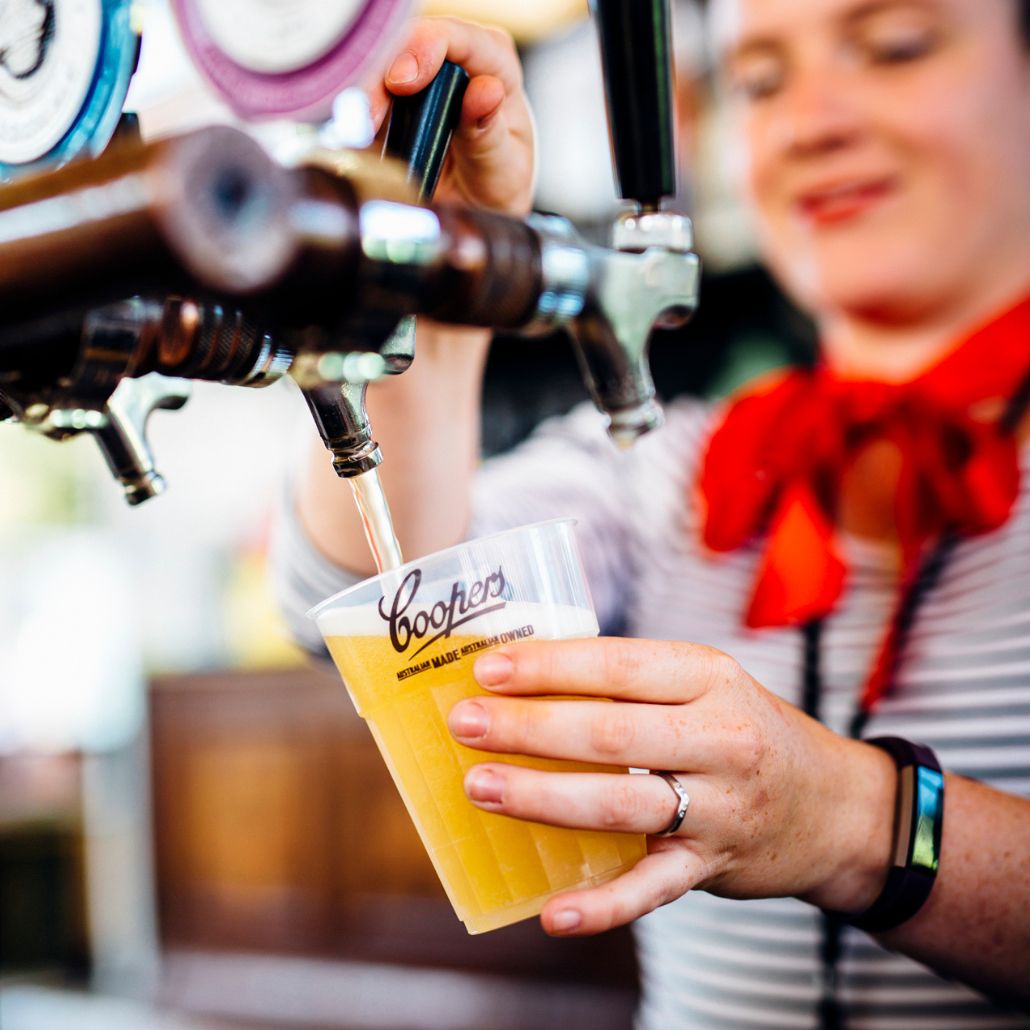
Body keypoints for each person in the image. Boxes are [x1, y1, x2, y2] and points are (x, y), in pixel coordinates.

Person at [274, 1, 1030, 1025]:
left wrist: (854, 820)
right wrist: (436, 268)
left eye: (894, 47)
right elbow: (357, 598)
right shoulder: (672, 470)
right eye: (760, 81)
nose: (811, 122)